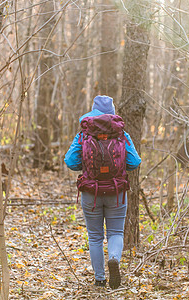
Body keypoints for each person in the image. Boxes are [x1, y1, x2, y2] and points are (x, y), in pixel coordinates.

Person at [64, 95, 141, 289]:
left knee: (95, 236)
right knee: (115, 232)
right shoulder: (120, 132)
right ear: (112, 111)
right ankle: (114, 258)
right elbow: (134, 162)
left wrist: (89, 167)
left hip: (91, 191)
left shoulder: (85, 132)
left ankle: (99, 279)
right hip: (116, 192)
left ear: (92, 110)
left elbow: (70, 161)